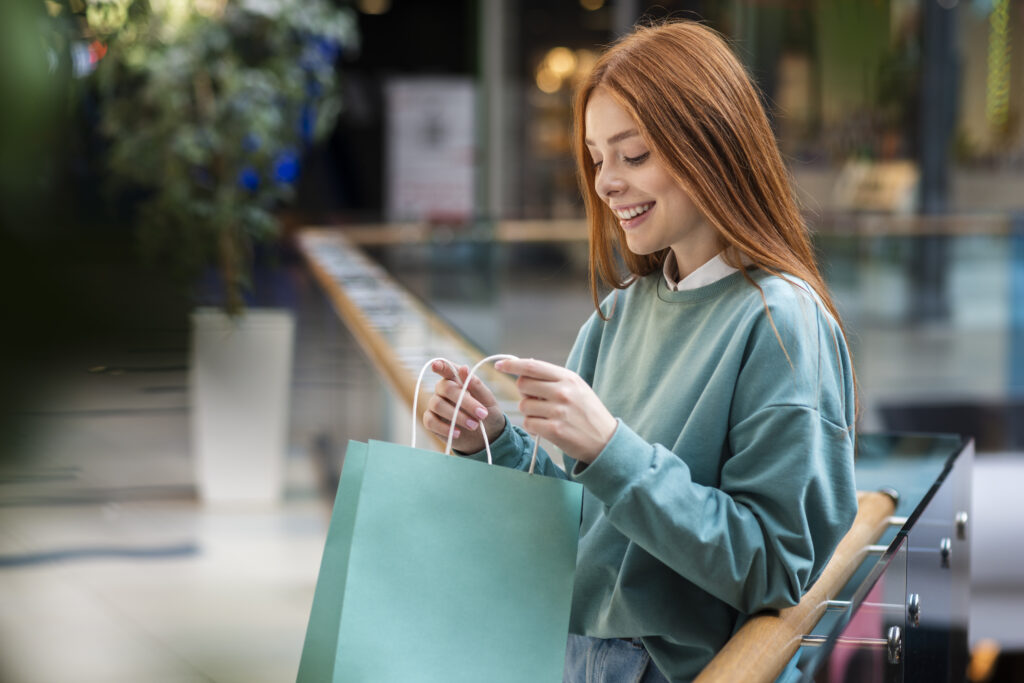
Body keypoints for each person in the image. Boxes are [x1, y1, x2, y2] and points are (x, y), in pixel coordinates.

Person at [422, 19, 857, 683]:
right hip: (567, 654)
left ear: (711, 144)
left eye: (633, 154)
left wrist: (609, 449)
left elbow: (775, 564)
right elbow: (588, 524)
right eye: (598, 158)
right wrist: (491, 441)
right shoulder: (618, 314)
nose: (605, 183)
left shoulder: (779, 321)